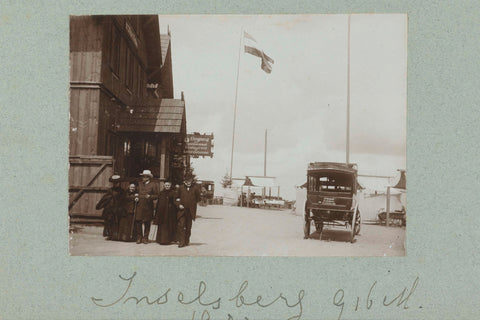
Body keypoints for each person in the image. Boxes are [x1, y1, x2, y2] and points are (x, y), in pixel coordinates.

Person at [95, 174, 125, 240]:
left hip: (118, 208)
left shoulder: (122, 191)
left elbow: (123, 200)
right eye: (114, 183)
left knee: (117, 222)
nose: (116, 184)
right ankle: (110, 235)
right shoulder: (110, 190)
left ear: (119, 183)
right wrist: (100, 205)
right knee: (109, 222)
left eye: (117, 183)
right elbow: (105, 198)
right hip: (110, 209)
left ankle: (116, 235)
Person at [176, 175, 201, 248]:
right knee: (181, 226)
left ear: (192, 181)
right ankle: (181, 242)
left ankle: (186, 240)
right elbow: (176, 198)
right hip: (182, 210)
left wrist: (191, 203)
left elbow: (198, 198)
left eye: (190, 180)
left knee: (188, 227)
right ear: (184, 181)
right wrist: (179, 205)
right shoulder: (180, 188)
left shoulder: (195, 188)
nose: (188, 182)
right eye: (187, 181)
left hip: (190, 211)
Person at [135, 170, 159, 244]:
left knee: (147, 222)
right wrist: (136, 196)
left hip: (148, 207)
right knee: (138, 221)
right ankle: (139, 237)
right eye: (142, 176)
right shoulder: (139, 184)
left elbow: (156, 195)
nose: (143, 178)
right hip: (139, 206)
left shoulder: (153, 185)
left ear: (148, 177)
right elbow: (136, 192)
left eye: (144, 176)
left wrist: (150, 196)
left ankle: (145, 238)